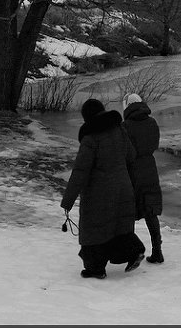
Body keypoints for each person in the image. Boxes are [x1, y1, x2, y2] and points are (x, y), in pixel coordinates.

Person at [61, 98, 146, 279]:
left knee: (95, 230)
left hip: (98, 196)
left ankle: (95, 269)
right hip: (123, 189)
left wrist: (68, 200)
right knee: (119, 227)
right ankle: (134, 251)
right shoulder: (119, 130)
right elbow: (131, 155)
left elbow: (80, 172)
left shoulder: (90, 139)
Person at [121, 92, 165, 264]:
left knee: (130, 211)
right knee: (150, 211)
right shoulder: (152, 122)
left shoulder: (125, 126)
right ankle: (157, 252)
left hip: (132, 171)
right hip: (150, 168)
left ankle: (132, 253)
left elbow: (125, 151)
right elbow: (154, 144)